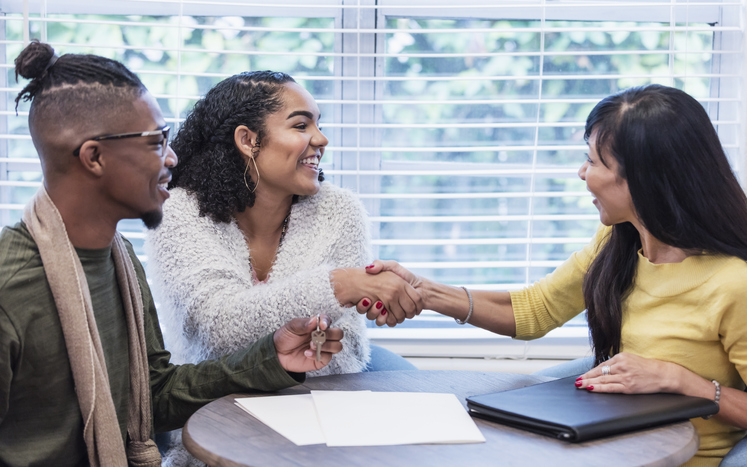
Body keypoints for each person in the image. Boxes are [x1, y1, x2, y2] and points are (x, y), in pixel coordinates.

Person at [358, 85, 747, 467]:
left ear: (643, 180)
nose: (582, 173)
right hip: (604, 447)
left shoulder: (733, 284)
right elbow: (536, 309)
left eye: (594, 162)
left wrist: (686, 383)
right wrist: (423, 292)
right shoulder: (618, 242)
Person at [0, 40, 344, 467]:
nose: (173, 157)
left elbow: (155, 396)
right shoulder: (10, 287)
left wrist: (272, 358)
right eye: (156, 142)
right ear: (94, 158)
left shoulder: (119, 260)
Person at [144, 71, 421, 374]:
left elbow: (347, 346)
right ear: (248, 140)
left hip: (320, 399)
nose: (321, 139)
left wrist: (306, 344)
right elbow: (216, 330)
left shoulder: (341, 211)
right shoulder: (179, 213)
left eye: (318, 124)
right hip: (213, 402)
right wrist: (339, 286)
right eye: (301, 125)